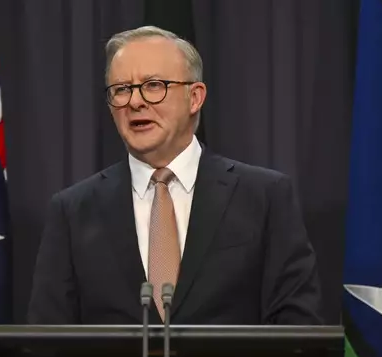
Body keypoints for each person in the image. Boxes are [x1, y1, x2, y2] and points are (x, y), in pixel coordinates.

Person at [27, 25, 322, 326]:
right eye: (121, 90)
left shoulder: (265, 197)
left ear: (195, 97)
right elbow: (47, 343)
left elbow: (297, 329)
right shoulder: (73, 211)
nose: (135, 101)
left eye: (153, 85)